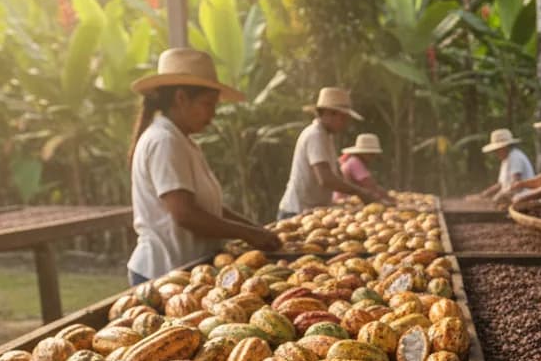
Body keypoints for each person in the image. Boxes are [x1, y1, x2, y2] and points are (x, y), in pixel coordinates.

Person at [126, 47, 281, 286]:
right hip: (164, 274)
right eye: (208, 104)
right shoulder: (164, 141)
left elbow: (210, 208)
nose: (213, 113)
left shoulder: (182, 140)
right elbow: (185, 214)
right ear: (181, 98)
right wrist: (247, 233)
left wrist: (255, 230)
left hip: (187, 271)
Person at [277, 87, 386, 218]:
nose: (346, 123)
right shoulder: (315, 135)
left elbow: (336, 173)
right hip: (297, 210)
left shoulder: (326, 137)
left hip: (313, 210)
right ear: (329, 113)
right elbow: (325, 179)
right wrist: (360, 192)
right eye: (343, 118)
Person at [474, 128, 535, 203]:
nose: (495, 153)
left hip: (524, 199)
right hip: (514, 198)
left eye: (497, 150)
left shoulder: (515, 157)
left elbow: (516, 184)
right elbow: (501, 184)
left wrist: (498, 197)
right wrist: (483, 195)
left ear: (504, 147)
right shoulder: (506, 159)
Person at [333, 133, 394, 204]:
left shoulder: (352, 160)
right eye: (371, 154)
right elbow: (370, 186)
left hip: (345, 199)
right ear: (362, 152)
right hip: (344, 201)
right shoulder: (355, 163)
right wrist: (389, 198)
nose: (373, 157)